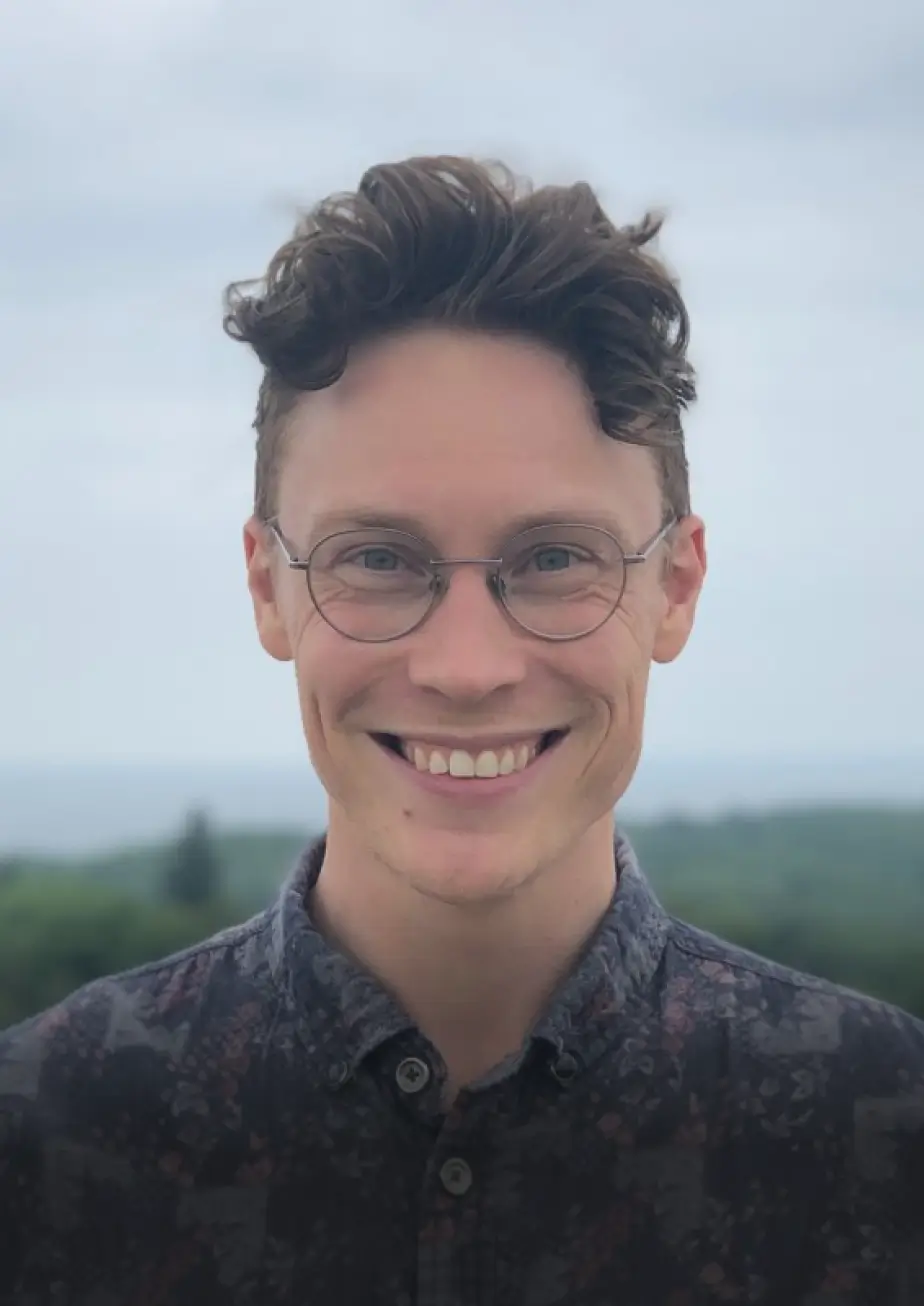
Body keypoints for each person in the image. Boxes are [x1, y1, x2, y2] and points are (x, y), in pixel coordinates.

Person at [1, 155, 922, 1306]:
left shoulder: (886, 1139)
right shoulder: (42, 1137)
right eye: (379, 559)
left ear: (676, 588)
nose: (468, 668)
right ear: (267, 587)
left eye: (554, 559)